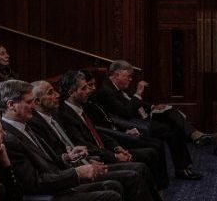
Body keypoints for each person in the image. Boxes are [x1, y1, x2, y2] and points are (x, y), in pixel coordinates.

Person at [31, 77, 159, 201]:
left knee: (141, 165)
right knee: (131, 175)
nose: (57, 95)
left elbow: (91, 137)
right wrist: (89, 163)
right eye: (50, 93)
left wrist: (114, 149)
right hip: (74, 172)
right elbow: (61, 155)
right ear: (36, 102)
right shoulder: (42, 122)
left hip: (88, 160)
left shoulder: (54, 116)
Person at [0, 79, 123, 200]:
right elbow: (34, 183)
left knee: (113, 185)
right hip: (48, 195)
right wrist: (76, 173)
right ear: (11, 105)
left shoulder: (25, 125)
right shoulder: (8, 138)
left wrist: (67, 157)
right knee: (111, 195)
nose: (34, 106)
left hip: (58, 182)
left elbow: (46, 160)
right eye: (29, 102)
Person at [93, 60, 217, 180]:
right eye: (128, 76)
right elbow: (127, 112)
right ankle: (193, 141)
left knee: (171, 113)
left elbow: (131, 102)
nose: (130, 79)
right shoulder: (107, 91)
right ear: (117, 74)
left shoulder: (116, 87)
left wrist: (152, 107)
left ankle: (193, 142)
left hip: (141, 120)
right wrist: (138, 93)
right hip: (132, 126)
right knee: (173, 128)